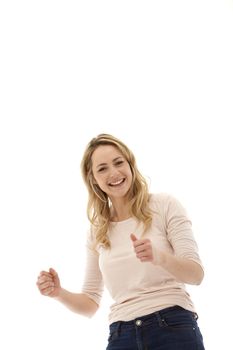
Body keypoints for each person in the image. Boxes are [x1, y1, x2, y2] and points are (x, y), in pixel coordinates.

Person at [36, 133, 205, 350]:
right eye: (102, 168)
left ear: (130, 164)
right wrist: (58, 293)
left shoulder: (164, 205)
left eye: (118, 162)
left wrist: (160, 257)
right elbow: (90, 303)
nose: (114, 173)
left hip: (172, 326)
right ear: (92, 178)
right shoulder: (97, 231)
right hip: (121, 334)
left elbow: (196, 274)